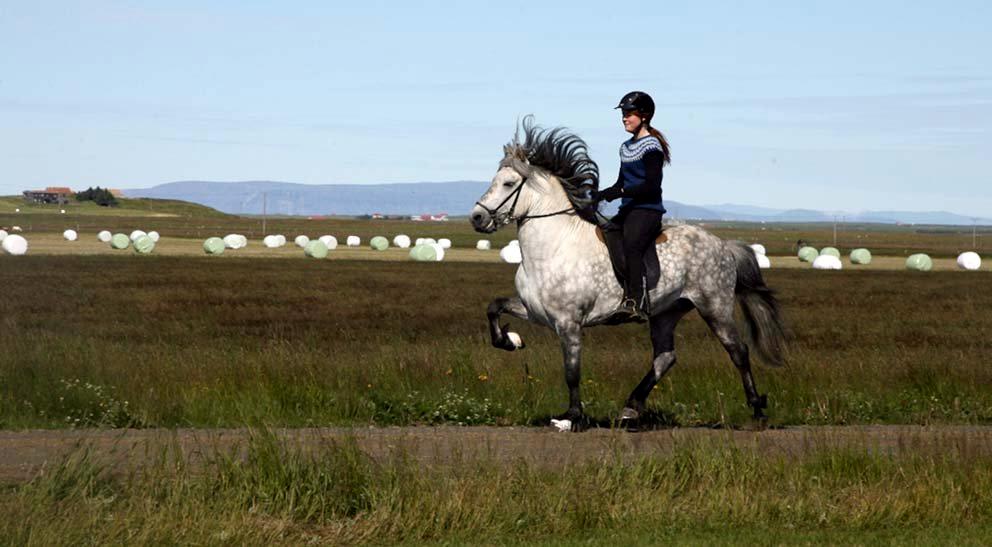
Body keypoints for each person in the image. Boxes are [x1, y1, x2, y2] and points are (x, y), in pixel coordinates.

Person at [593, 91, 671, 322]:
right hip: (629, 209)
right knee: (608, 230)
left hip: (648, 209)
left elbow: (651, 186)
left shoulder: (652, 146)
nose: (624, 118)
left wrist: (621, 192)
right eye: (624, 114)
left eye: (629, 114)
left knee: (632, 244)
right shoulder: (625, 147)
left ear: (644, 116)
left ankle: (637, 301)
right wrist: (600, 195)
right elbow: (620, 183)